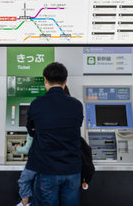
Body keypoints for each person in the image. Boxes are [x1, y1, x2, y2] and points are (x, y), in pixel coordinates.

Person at [26, 62, 84, 206]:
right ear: (65, 81)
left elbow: (31, 131)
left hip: (47, 169)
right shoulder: (77, 105)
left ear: (45, 79)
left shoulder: (37, 104)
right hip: (72, 170)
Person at [14, 133, 35, 206]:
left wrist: (17, 148)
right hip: (49, 163)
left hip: (35, 162)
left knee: (24, 181)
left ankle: (24, 203)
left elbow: (26, 150)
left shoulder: (32, 129)